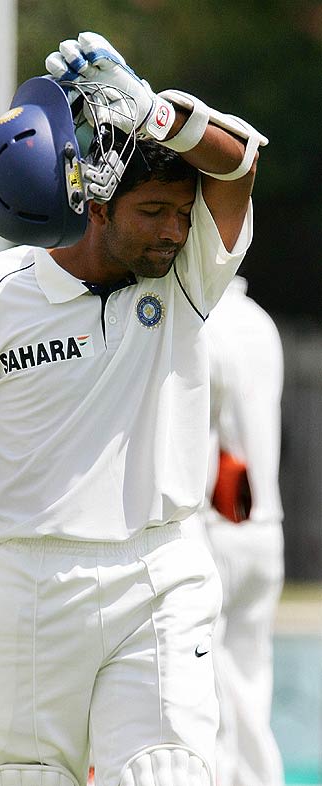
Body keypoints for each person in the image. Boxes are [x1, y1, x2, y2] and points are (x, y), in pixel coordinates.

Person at [0, 33, 268, 786]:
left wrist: (156, 114)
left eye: (183, 212)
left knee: (169, 772)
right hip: (26, 585)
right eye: (156, 211)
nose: (177, 230)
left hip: (160, 570)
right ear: (94, 204)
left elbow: (237, 164)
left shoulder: (184, 280)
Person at [201, 276, 285, 786]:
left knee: (214, 698)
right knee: (252, 683)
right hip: (264, 523)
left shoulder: (207, 323)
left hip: (219, 518)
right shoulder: (261, 322)